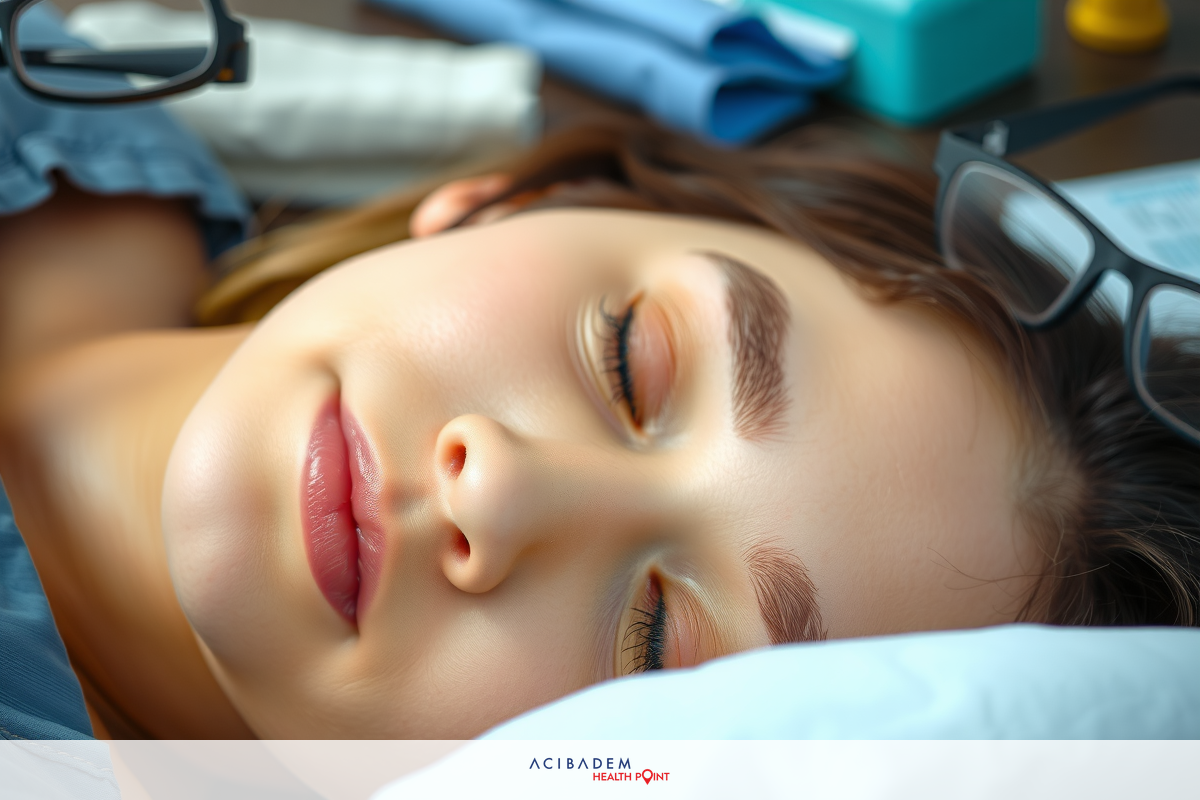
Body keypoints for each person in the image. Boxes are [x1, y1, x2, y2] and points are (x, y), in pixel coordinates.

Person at [2, 84, 1199, 738]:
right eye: (631, 360)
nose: (500, 489)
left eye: (652, 652)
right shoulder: (79, 96)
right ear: (519, 197)